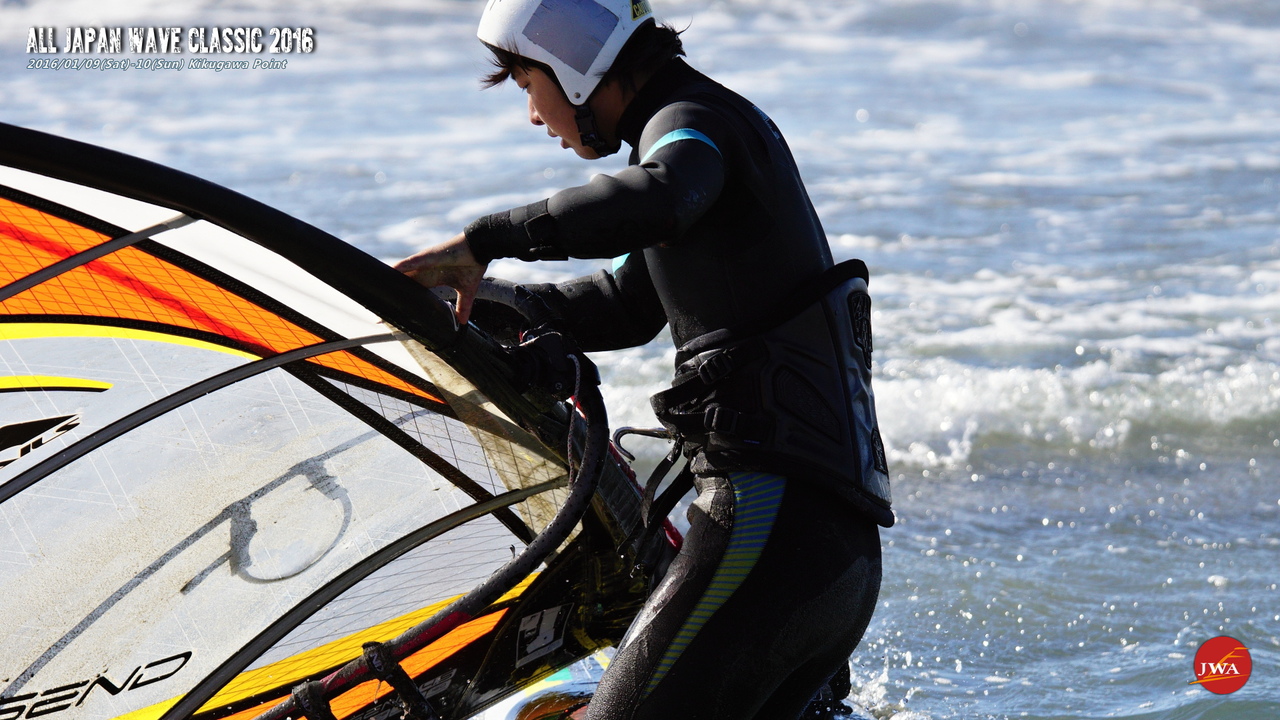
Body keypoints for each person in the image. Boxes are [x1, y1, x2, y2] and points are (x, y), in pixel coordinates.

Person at [395, 1, 894, 717]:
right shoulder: (702, 137)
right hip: (825, 555)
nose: (533, 115)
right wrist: (491, 306)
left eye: (527, 83)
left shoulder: (691, 126)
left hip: (770, 534)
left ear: (572, 63)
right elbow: (624, 304)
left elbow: (660, 198)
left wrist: (486, 240)